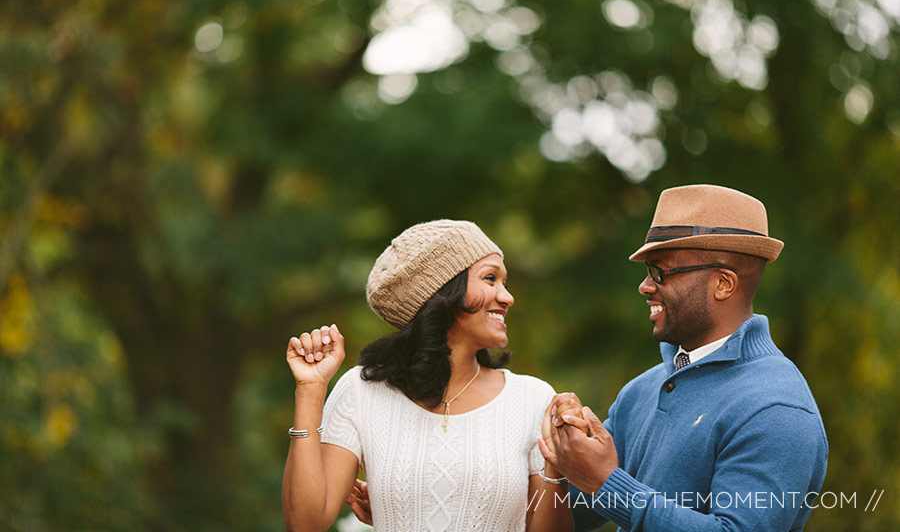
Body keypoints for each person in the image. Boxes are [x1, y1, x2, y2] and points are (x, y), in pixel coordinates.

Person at [539, 184, 828, 531]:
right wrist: (562, 461)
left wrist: (608, 484)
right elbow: (570, 515)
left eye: (661, 271)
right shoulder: (641, 391)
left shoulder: (776, 407)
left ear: (723, 284)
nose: (645, 286)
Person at [282, 219, 575, 532]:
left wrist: (558, 467)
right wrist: (310, 390)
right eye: (490, 279)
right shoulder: (361, 391)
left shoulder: (533, 400)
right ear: (443, 291)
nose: (507, 297)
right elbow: (306, 524)